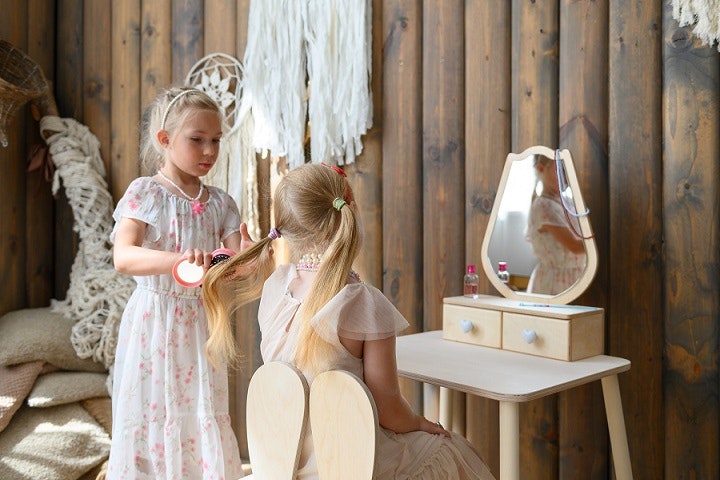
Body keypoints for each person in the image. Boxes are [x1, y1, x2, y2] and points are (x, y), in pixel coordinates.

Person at [202, 163, 495, 479]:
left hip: (281, 456)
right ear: (348, 212)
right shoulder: (363, 301)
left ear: (284, 229)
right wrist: (421, 423)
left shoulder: (276, 285)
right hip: (346, 458)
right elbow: (387, 408)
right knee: (448, 450)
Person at [107, 87, 252, 479]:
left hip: (202, 325)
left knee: (199, 407)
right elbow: (124, 257)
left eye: (216, 141)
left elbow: (233, 266)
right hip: (153, 321)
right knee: (153, 410)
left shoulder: (222, 202)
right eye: (197, 140)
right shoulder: (146, 193)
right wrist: (179, 262)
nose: (209, 151)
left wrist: (250, 258)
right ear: (165, 141)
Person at [525, 155, 586, 295]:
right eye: (561, 170)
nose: (567, 176)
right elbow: (575, 246)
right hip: (556, 282)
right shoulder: (543, 206)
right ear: (540, 168)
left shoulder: (568, 202)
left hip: (576, 276)